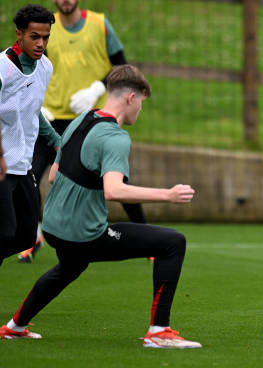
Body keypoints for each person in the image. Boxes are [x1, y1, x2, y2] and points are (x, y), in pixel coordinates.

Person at [0, 65, 201, 349]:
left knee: (69, 267)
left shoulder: (81, 119)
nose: (140, 111)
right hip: (84, 233)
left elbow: (55, 174)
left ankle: (14, 327)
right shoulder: (115, 137)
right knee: (172, 242)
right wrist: (168, 194)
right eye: (141, 103)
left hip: (54, 228)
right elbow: (114, 190)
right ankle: (159, 332)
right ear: (131, 97)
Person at [18, 0, 147, 263]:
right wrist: (36, 103)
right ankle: (33, 235)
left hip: (91, 119)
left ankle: (146, 237)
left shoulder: (99, 25)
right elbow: (27, 64)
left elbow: (120, 65)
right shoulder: (44, 28)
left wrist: (96, 90)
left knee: (116, 179)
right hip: (52, 117)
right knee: (29, 175)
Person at [0, 5, 60, 266]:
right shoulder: (3, 68)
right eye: (34, 36)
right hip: (1, 166)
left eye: (45, 37)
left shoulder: (45, 67)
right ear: (19, 34)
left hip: (22, 166)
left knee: (26, 235)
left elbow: (33, 111)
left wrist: (57, 142)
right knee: (4, 232)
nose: (41, 43)